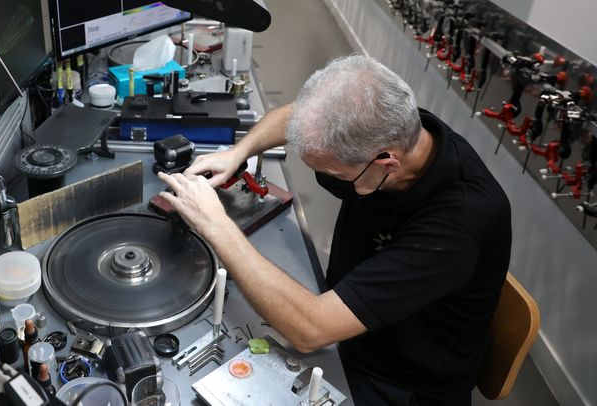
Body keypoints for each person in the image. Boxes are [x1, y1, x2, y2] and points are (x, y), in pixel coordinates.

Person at [157, 55, 511, 405]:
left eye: (338, 174)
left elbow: (312, 331)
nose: (332, 180)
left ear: (386, 161)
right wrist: (239, 152)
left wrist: (216, 225)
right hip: (351, 319)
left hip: (397, 381)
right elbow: (297, 118)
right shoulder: (397, 126)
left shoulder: (461, 223)